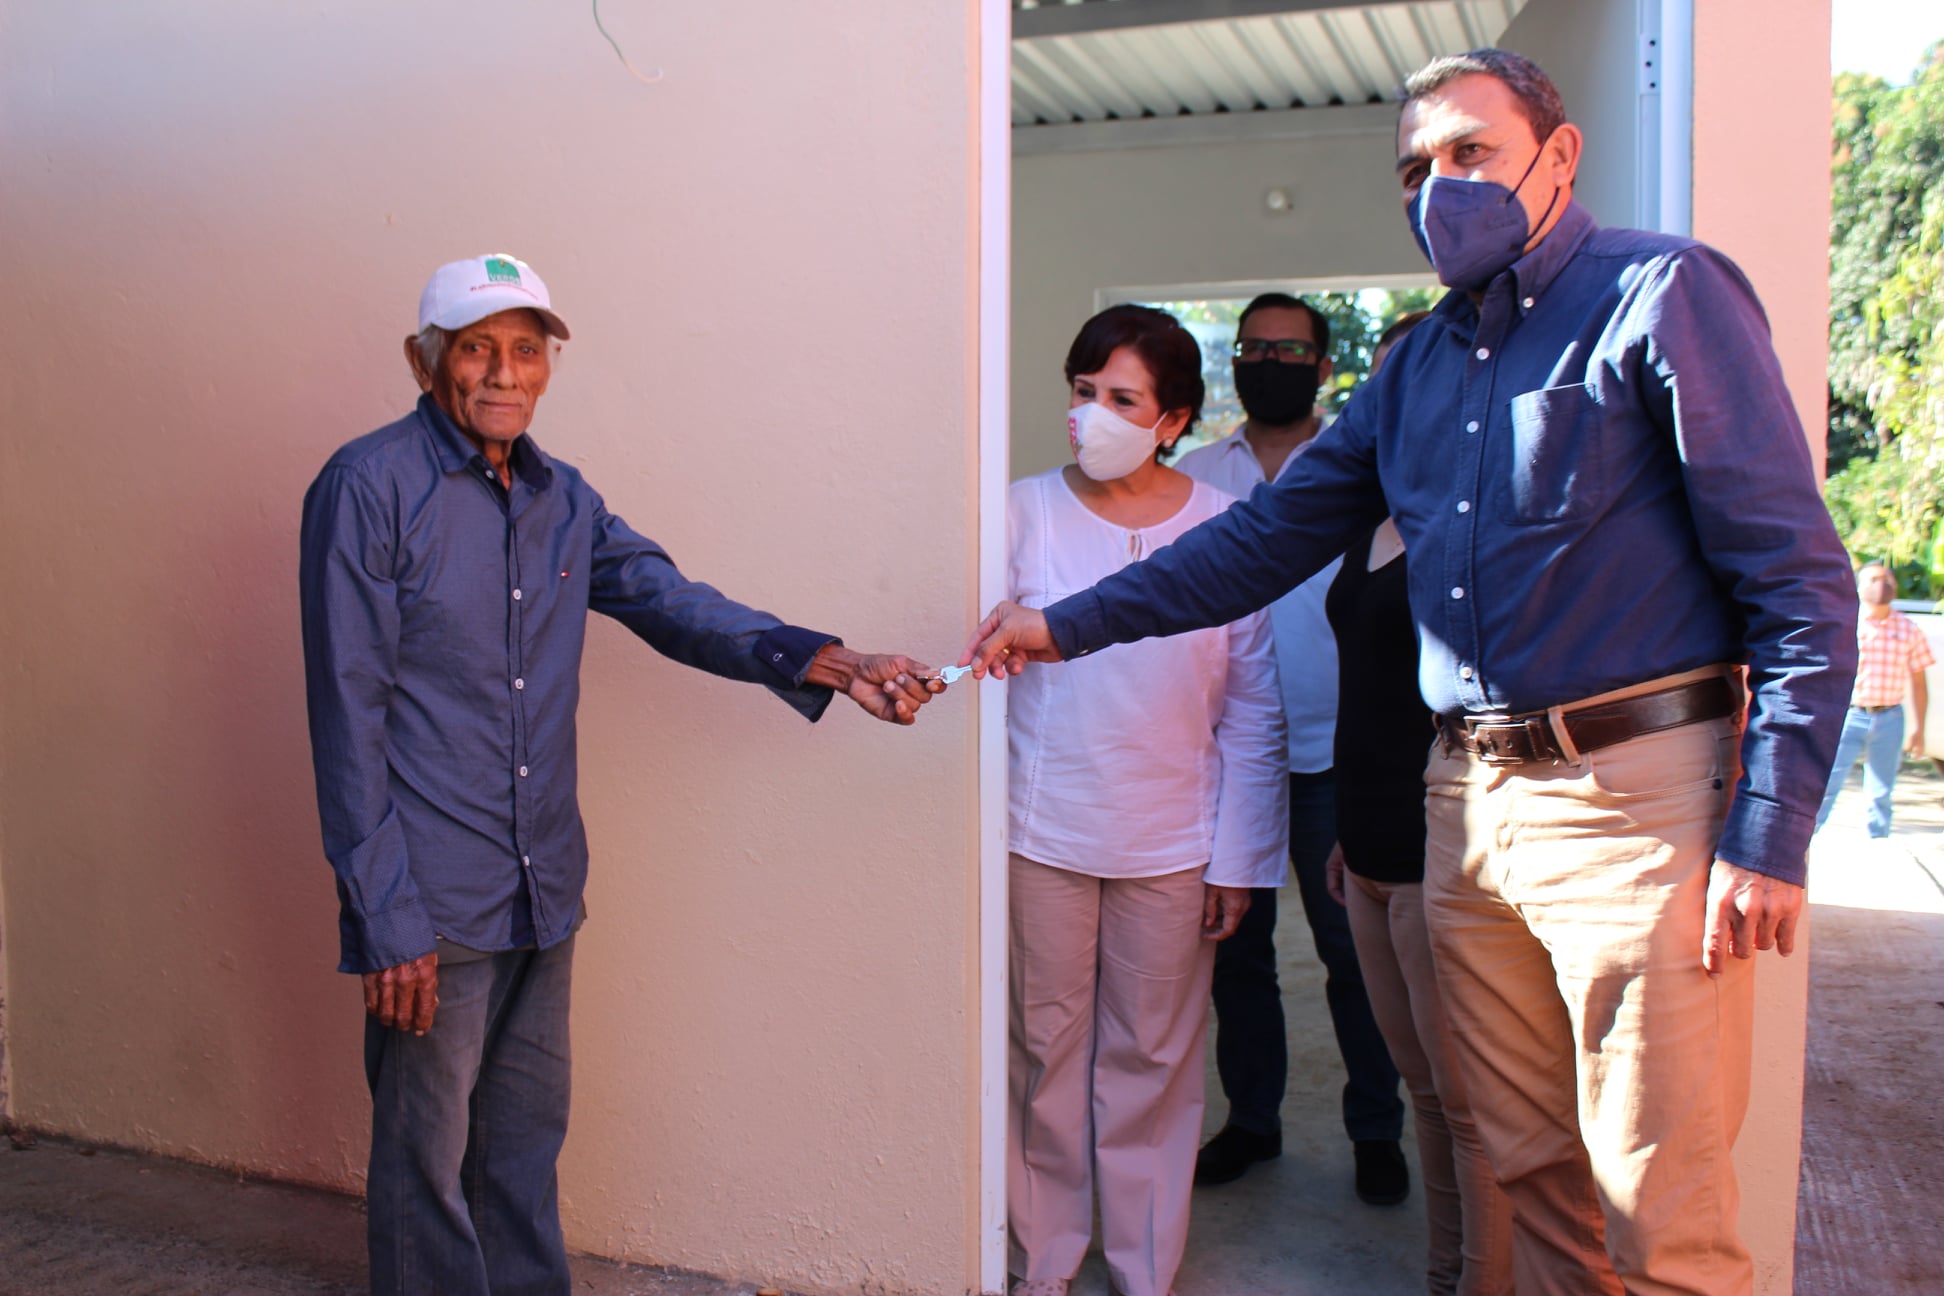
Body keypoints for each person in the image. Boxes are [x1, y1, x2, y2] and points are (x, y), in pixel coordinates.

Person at [963, 48, 1856, 1296]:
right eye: (1413, 168)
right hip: (1466, 804)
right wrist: (1062, 626)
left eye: (1470, 152)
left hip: (1635, 803)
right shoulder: (1416, 369)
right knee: (1526, 1167)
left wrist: (1771, 831)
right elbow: (1258, 544)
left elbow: (1797, 581)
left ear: (1559, 155)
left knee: (1658, 1203)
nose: (1439, 187)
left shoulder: (1661, 293)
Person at [299, 253, 945, 1296]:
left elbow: (670, 600)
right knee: (426, 1164)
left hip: (542, 880)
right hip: (430, 896)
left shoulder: (563, 498)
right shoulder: (367, 487)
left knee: (521, 1149)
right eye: (477, 349)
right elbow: (347, 709)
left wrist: (834, 662)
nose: (504, 373)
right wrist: (383, 916)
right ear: (424, 362)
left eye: (526, 350)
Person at [1005, 305, 1287, 1296]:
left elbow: (1251, 706)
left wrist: (1238, 859)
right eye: (1083, 392)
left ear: (1171, 420)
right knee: (1043, 1051)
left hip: (1174, 844)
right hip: (1042, 833)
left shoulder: (1224, 530)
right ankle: (1042, 1260)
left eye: (1121, 399)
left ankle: (1144, 1266)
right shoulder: (1021, 511)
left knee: (1154, 1063)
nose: (1092, 415)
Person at [1174, 294, 1406, 1202]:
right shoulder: (1195, 475)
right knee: (1237, 954)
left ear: (1324, 367)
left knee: (1356, 955)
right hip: (1224, 759)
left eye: (1291, 351)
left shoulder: (1361, 469)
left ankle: (1377, 1128)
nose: (1269, 363)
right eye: (1254, 349)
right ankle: (1253, 1121)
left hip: (1334, 755)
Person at [1320, 308, 1512, 1296]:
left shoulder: (1474, 524)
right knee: (1426, 1097)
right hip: (1367, 848)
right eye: (1389, 383)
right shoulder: (1372, 517)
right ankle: (1445, 1275)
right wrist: (1346, 835)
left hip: (1444, 854)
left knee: (1474, 1107)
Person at [1815, 561, 1934, 837]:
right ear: (1858, 586)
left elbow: (1919, 681)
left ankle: (1878, 838)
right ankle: (1808, 838)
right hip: (1849, 715)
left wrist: (1918, 728)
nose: (1882, 584)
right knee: (1828, 781)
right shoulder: (1846, 625)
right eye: (1873, 579)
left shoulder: (1908, 629)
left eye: (1887, 578)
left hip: (1890, 717)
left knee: (1882, 789)